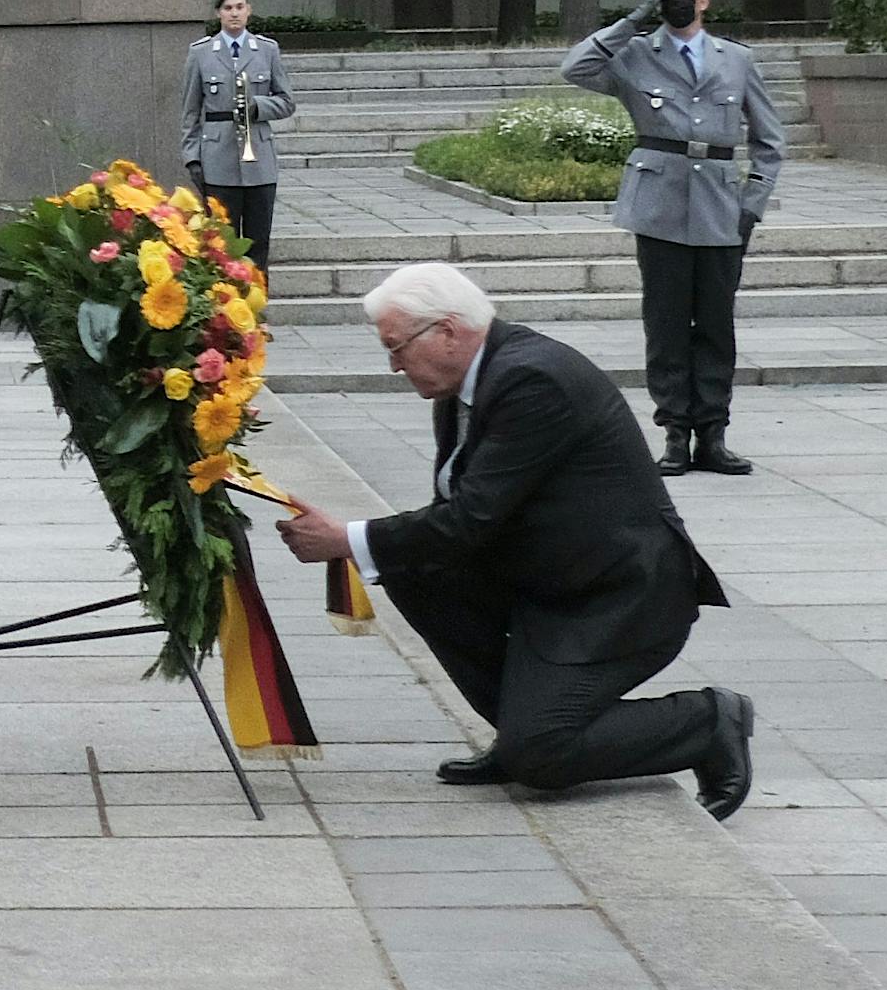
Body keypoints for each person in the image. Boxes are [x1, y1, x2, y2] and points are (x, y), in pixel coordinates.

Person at [275, 263, 755, 821]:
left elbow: (471, 519)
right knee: (413, 565)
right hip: (547, 581)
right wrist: (366, 544)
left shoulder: (533, 380)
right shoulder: (467, 382)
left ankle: (705, 720)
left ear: (448, 332)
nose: (394, 364)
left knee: (541, 755)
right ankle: (521, 721)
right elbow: (458, 514)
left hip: (618, 598)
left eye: (396, 347)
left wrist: (345, 539)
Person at [561, 0, 785, 476]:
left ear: (705, 1)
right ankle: (675, 436)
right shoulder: (637, 54)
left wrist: (752, 203)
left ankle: (714, 434)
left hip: (722, 208)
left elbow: (770, 143)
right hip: (659, 205)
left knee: (715, 325)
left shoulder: (736, 59)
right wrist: (635, 18)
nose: (680, 0)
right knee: (664, 324)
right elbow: (575, 68)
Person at [180, 0, 297, 274]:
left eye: (240, 7)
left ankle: (257, 310)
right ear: (218, 13)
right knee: (221, 245)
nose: (234, 13)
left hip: (259, 159)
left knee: (258, 243)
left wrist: (258, 106)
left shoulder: (267, 50)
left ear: (249, 11)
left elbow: (286, 101)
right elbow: (190, 111)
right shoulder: (202, 53)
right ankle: (226, 313)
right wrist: (192, 156)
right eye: (228, 8)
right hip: (218, 158)